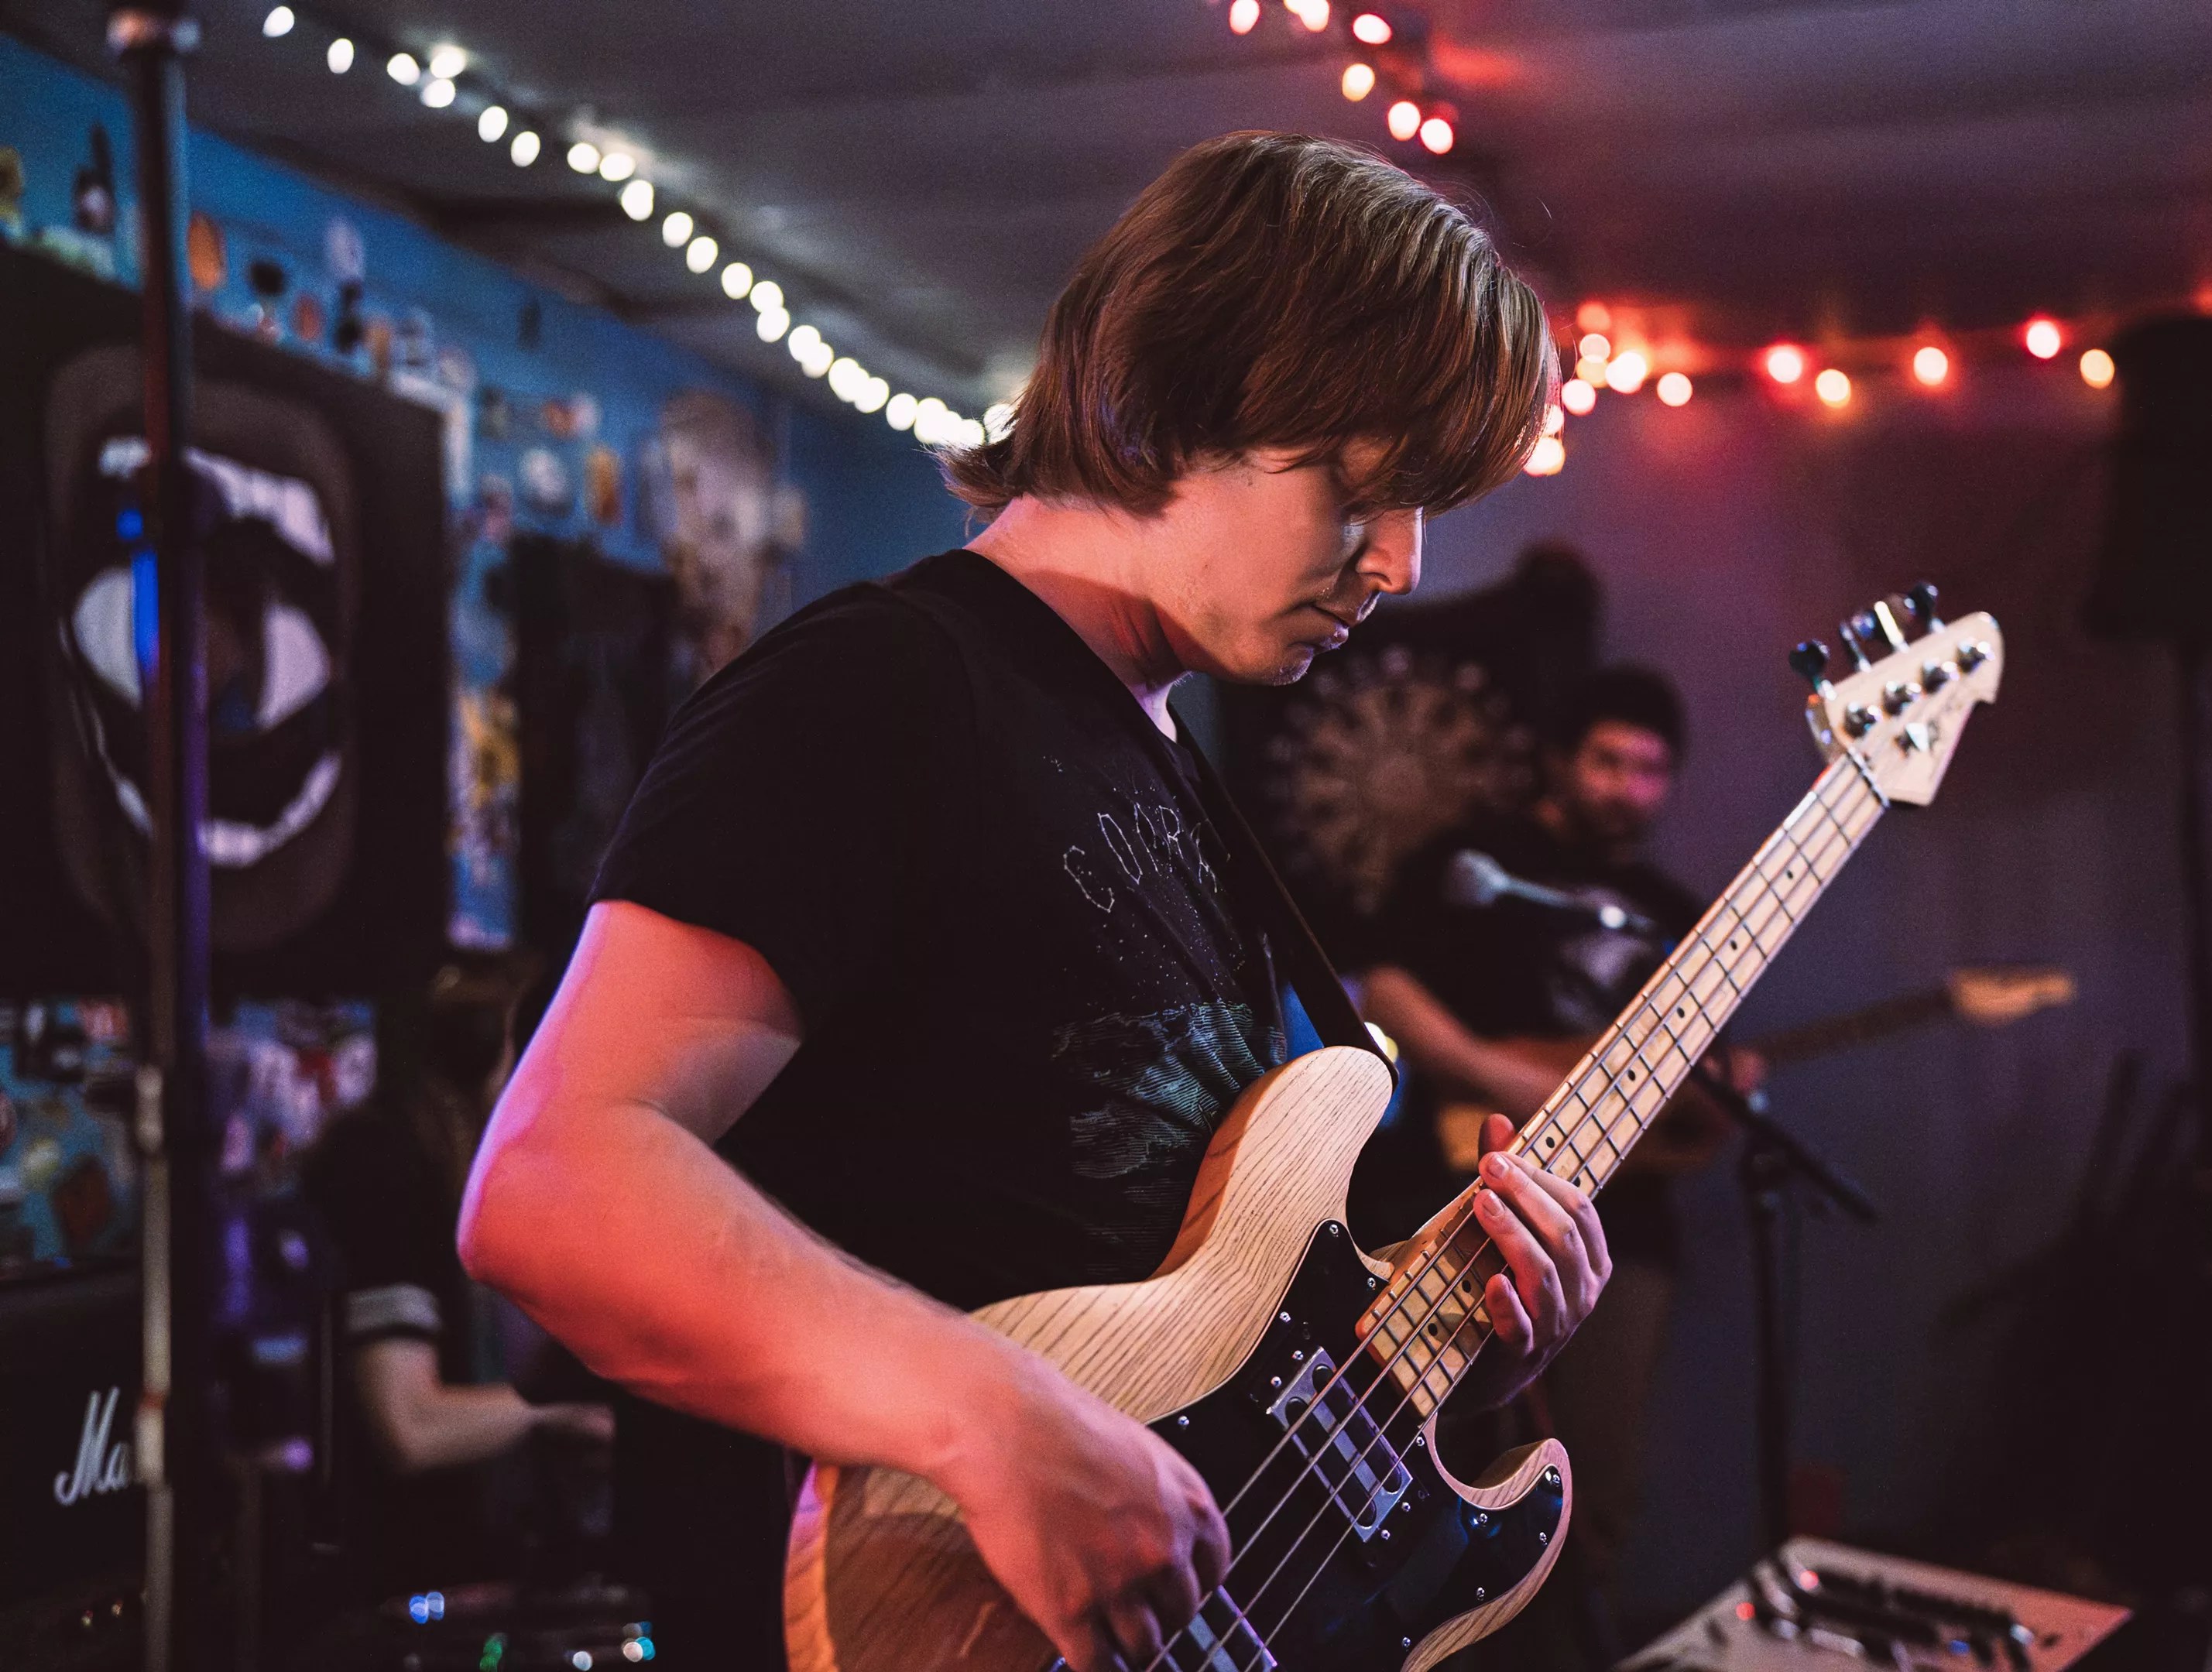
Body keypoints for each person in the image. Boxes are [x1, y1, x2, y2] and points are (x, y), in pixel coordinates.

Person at [458, 132, 1611, 1672]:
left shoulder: (1169, 760)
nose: (1401, 562)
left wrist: (1450, 1351)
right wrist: (988, 1413)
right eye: (1366, 488)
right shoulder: (882, 687)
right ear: (1193, 395)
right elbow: (550, 1186)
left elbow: (1169, 1313)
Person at [1360, 664, 1762, 1668]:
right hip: (1460, 1198)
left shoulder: (1672, 916)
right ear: (1558, 761)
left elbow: (1692, 1118)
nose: (1627, 788)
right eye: (1607, 762)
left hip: (1623, 1231)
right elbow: (1386, 989)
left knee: (1597, 1486)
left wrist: (1725, 1096)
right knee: (1424, 1467)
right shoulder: (1475, 864)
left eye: (1650, 770)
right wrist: (1511, 1077)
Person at [300, 960, 613, 1605]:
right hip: (391, 1587)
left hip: (469, 1568)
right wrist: (562, 1408)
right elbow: (408, 1425)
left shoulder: (448, 1167)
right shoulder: (384, 1170)